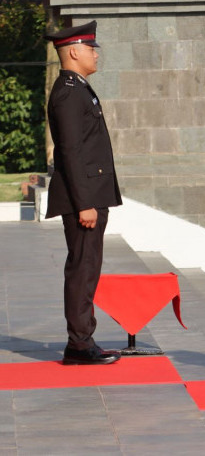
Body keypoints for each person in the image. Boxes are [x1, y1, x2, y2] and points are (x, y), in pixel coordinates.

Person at [45, 21, 122, 365]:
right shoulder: (68, 93)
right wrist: (85, 203)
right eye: (91, 48)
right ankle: (79, 344)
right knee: (82, 268)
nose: (95, 54)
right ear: (74, 52)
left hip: (91, 194)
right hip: (84, 199)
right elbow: (71, 151)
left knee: (88, 267)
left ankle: (83, 338)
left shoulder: (78, 88)